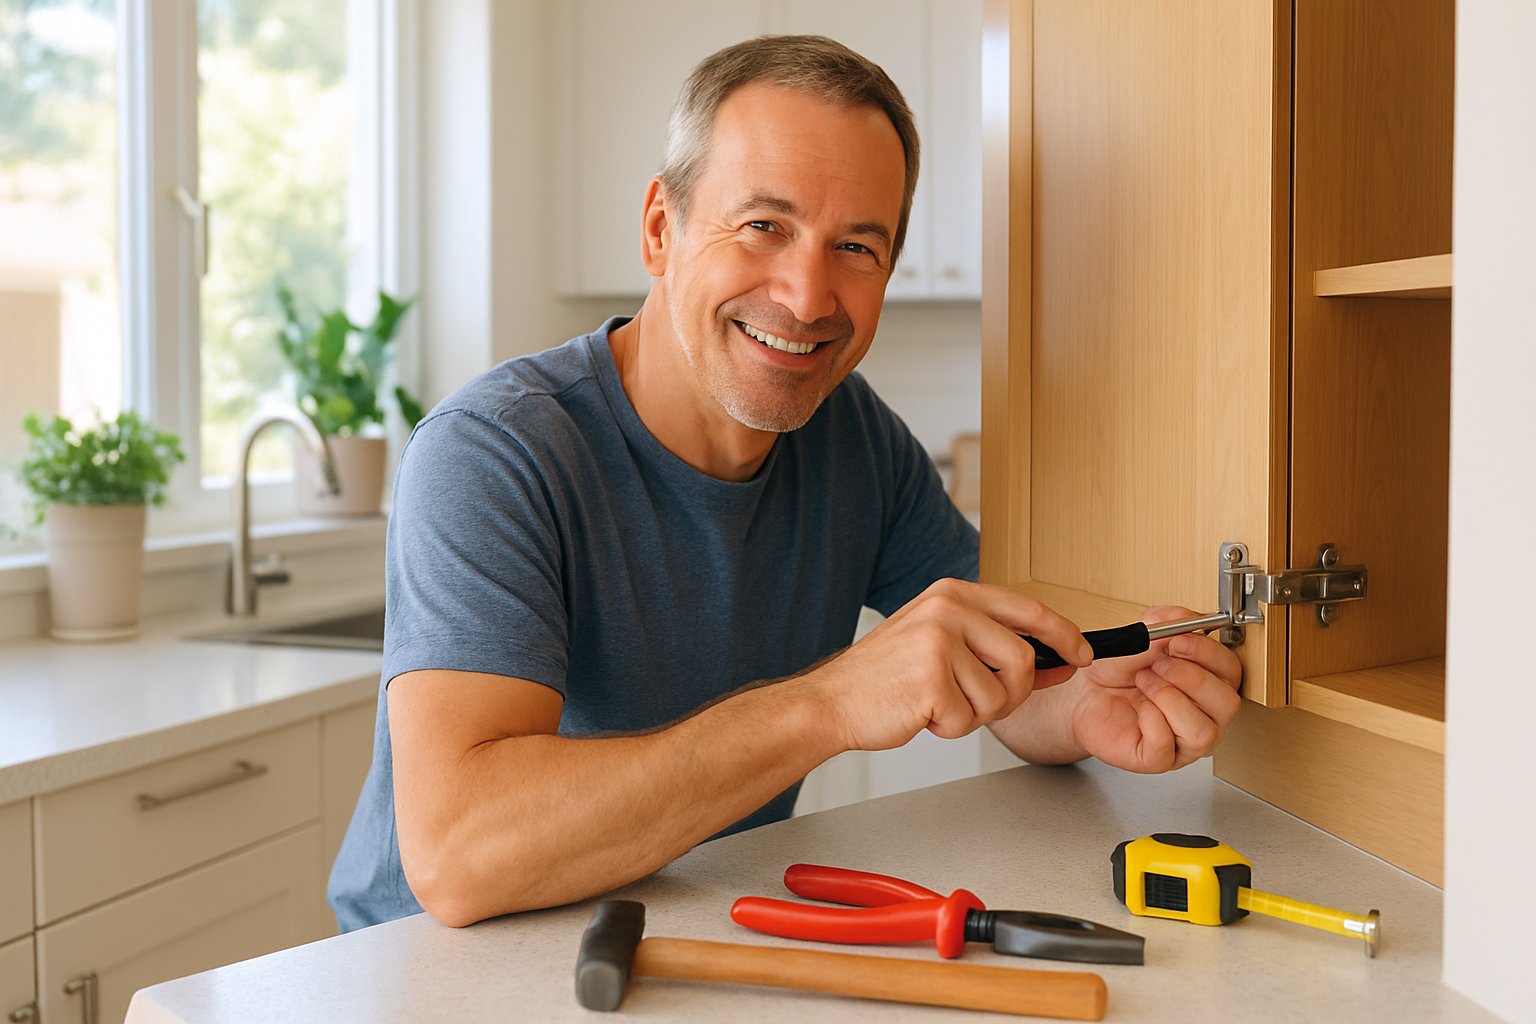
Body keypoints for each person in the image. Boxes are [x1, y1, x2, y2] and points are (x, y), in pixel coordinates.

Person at [328, 34, 1242, 933]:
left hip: (681, 935)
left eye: (857, 247)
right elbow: (459, 856)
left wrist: (1095, 699)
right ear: (661, 229)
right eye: (765, 225)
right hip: (443, 972)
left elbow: (996, 667)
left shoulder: (853, 439)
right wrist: (832, 701)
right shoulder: (496, 452)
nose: (808, 297)